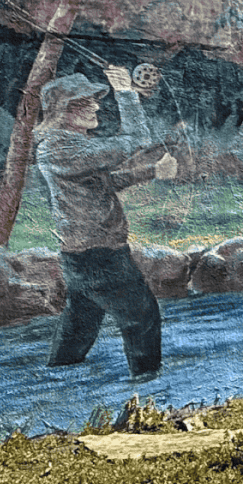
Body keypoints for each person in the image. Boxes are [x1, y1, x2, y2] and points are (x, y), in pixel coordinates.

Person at [34, 66, 179, 378]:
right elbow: (135, 139)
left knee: (79, 325)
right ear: (64, 111)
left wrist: (152, 172)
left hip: (81, 258)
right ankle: (148, 387)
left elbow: (103, 182)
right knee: (142, 316)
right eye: (87, 103)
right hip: (101, 256)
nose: (97, 107)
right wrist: (126, 95)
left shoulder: (68, 145)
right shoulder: (61, 147)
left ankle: (55, 383)